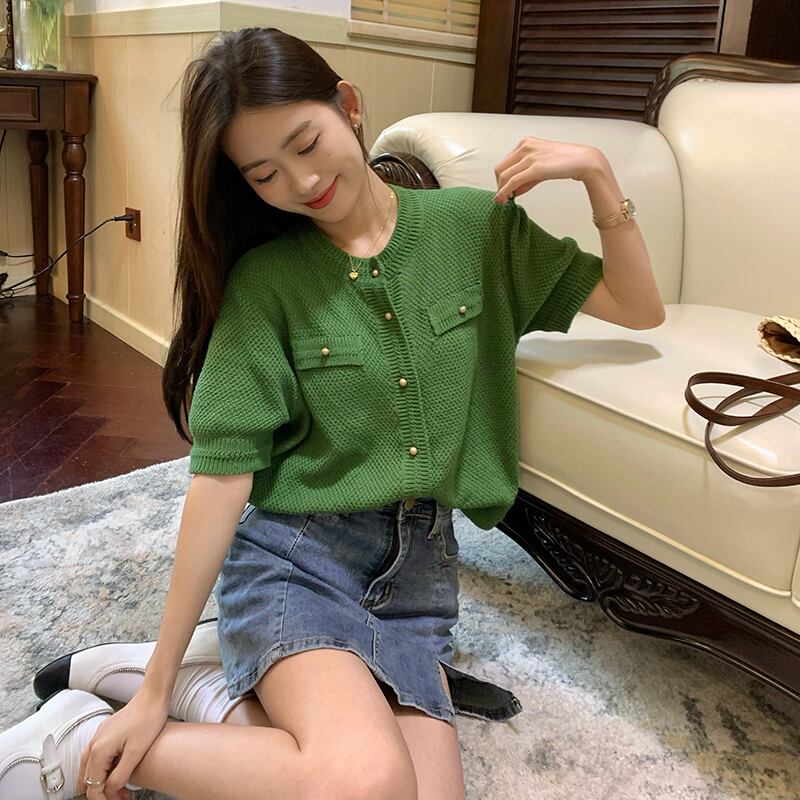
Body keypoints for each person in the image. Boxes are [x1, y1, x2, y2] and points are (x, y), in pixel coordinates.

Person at [0, 23, 663, 800]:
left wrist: (597, 177)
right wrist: (150, 695)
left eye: (306, 142)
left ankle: (212, 694)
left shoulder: (475, 229)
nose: (302, 181)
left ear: (348, 105)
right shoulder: (267, 283)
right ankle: (82, 740)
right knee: (365, 780)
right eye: (264, 173)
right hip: (297, 559)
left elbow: (638, 308)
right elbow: (221, 479)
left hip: (418, 579)